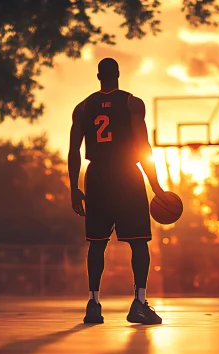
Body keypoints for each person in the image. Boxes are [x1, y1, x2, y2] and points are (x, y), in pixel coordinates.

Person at [67, 57, 166, 325]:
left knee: (97, 243)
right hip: (126, 175)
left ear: (99, 76)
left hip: (97, 176)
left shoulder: (82, 107)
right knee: (139, 242)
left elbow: (74, 150)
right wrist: (156, 186)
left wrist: (74, 188)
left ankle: (93, 303)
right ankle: (139, 303)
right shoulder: (133, 103)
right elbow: (143, 147)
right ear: (118, 74)